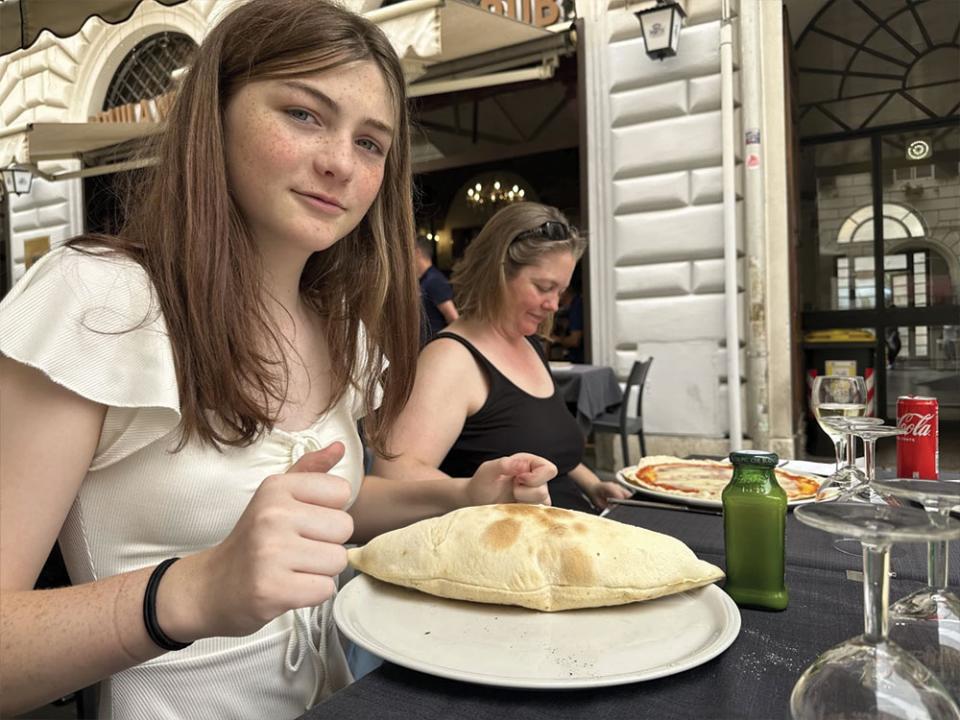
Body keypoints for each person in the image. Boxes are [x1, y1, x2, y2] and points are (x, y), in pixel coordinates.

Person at [0, 2, 556, 717]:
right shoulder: (98, 300)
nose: (339, 163)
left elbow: (332, 507)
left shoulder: (341, 325)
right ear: (215, 113)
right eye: (303, 114)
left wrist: (459, 497)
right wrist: (193, 591)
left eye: (371, 143)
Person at [374, 203, 632, 514]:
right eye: (544, 287)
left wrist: (592, 484)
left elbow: (547, 445)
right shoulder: (451, 360)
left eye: (560, 292)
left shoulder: (531, 345)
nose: (554, 305)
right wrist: (485, 497)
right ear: (495, 273)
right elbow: (395, 475)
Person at [415, 236, 458, 343]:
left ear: (417, 252)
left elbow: (453, 317)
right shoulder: (424, 279)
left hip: (435, 346)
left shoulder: (434, 280)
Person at [548, 280, 584, 363]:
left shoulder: (577, 307)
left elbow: (574, 340)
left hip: (578, 360)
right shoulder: (566, 308)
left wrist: (557, 340)